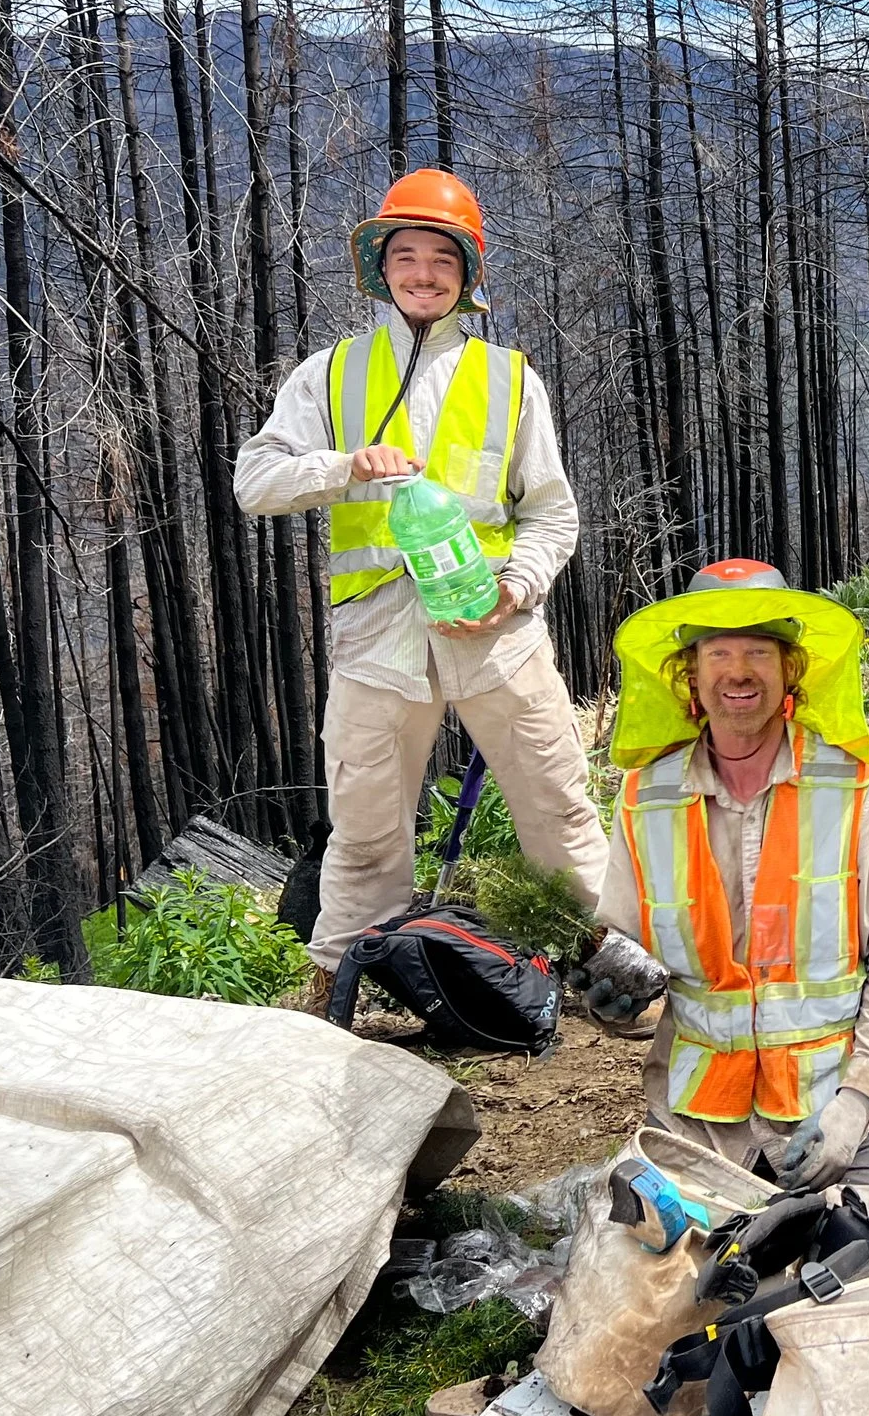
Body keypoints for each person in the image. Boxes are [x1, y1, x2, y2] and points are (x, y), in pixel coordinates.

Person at [236, 168, 609, 996]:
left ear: (467, 273)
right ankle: (343, 989)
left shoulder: (511, 378)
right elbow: (255, 481)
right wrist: (340, 467)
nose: (424, 273)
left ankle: (608, 960)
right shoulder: (329, 375)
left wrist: (518, 584)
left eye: (443, 258)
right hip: (377, 642)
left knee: (558, 806)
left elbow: (553, 513)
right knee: (365, 834)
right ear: (381, 268)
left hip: (498, 635)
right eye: (406, 255)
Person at [585, 559, 869, 1190]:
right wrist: (613, 1005)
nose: (739, 670)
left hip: (832, 1106)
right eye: (718, 652)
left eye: (758, 650)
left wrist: (857, 1103)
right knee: (642, 1268)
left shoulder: (859, 786)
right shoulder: (646, 797)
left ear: (790, 673)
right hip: (694, 1119)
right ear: (689, 676)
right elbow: (626, 954)